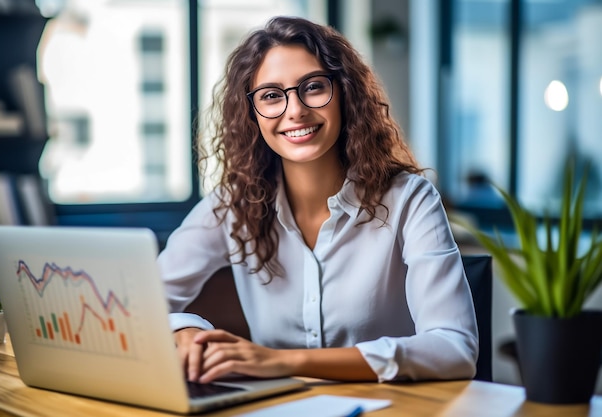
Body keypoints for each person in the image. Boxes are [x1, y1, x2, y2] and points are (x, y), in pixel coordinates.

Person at [158, 16, 478, 385]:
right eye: (272, 96)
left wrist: (283, 361)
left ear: (345, 93)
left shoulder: (410, 199)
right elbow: (143, 303)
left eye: (312, 87)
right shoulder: (231, 205)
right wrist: (183, 329)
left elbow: (455, 348)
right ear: (252, 113)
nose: (295, 110)